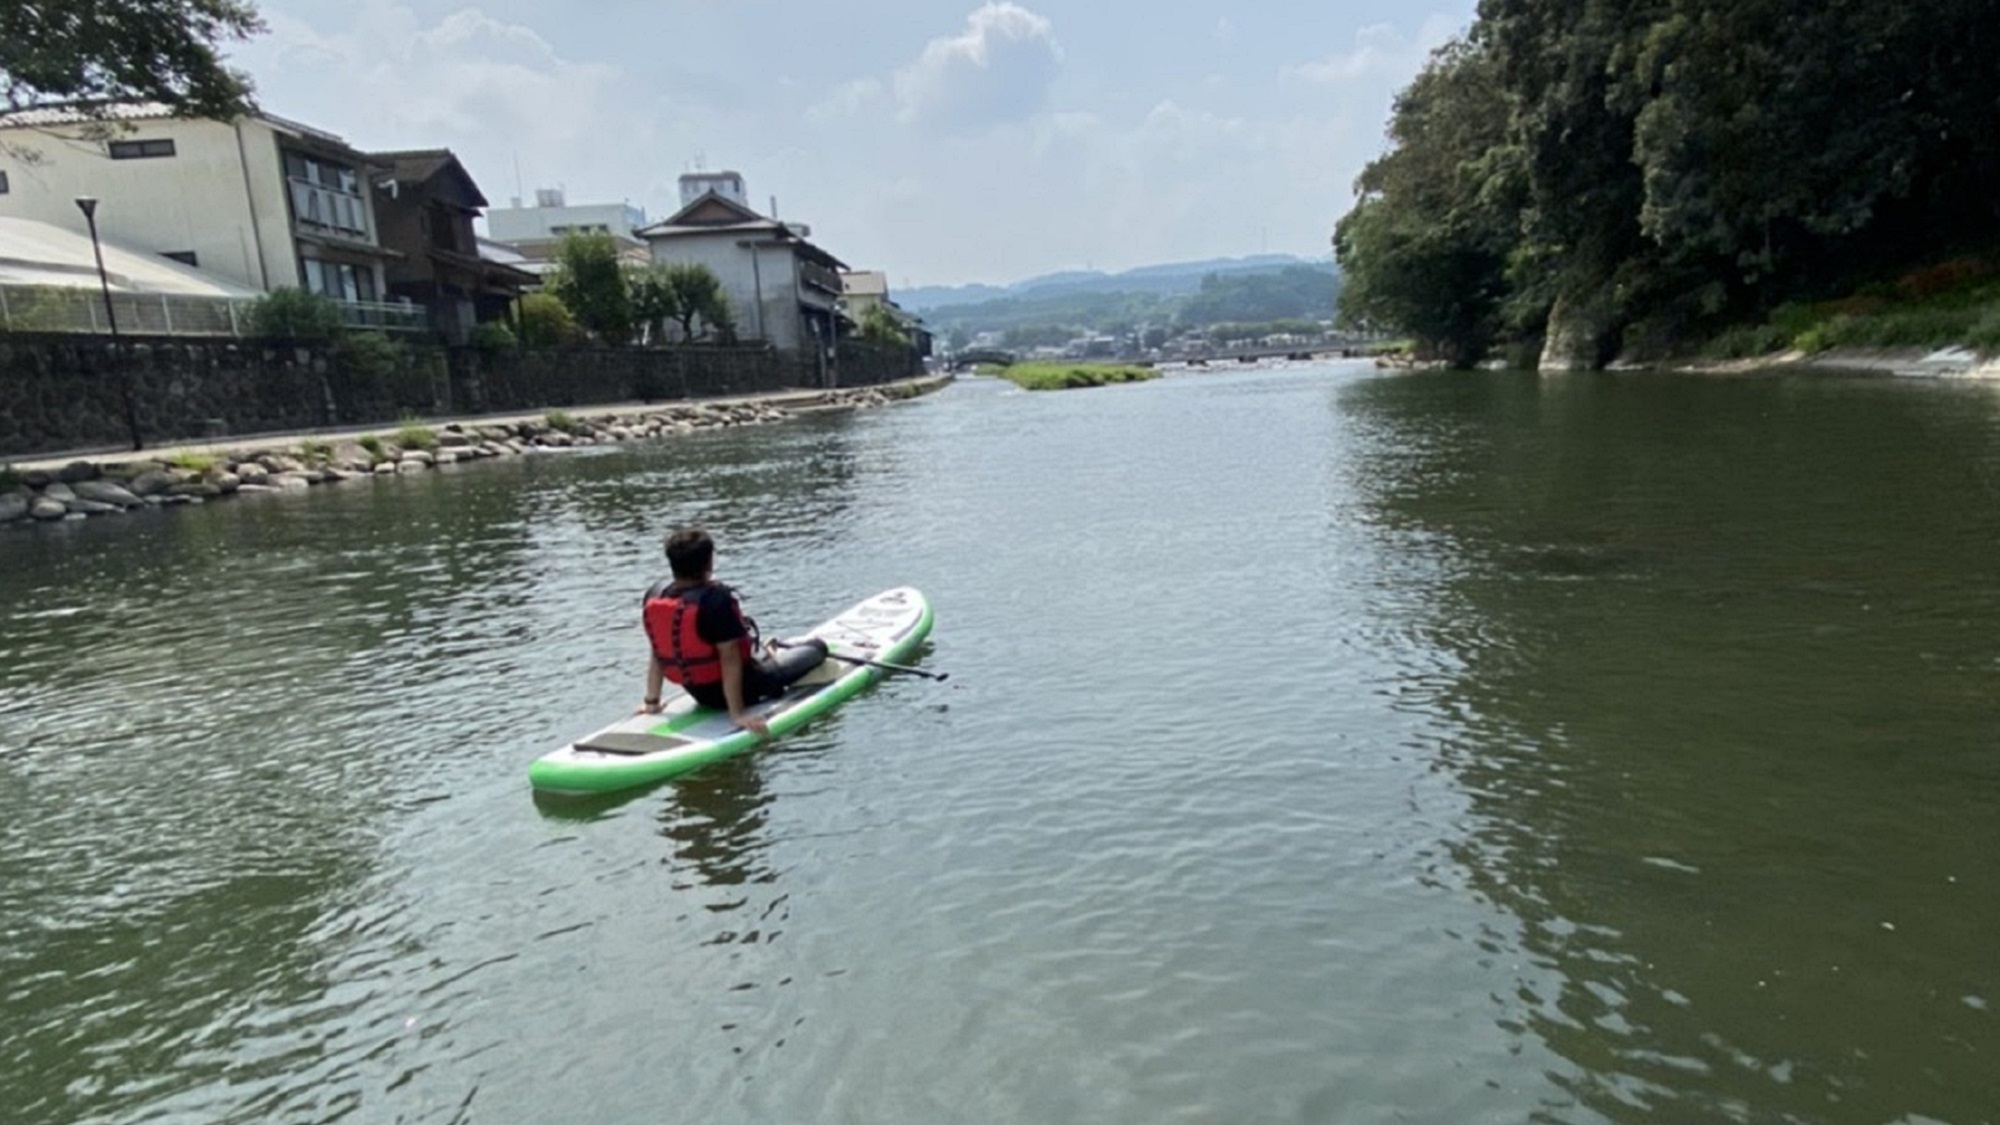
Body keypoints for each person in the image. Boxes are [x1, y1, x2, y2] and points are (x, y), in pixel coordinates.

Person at [639, 527, 827, 735]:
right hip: (747, 688)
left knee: (753, 656)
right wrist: (737, 714)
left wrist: (652, 702)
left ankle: (768, 653)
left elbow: (658, 651)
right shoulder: (715, 600)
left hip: (697, 692)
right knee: (817, 648)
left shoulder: (656, 595)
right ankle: (778, 656)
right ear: (709, 562)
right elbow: (730, 659)